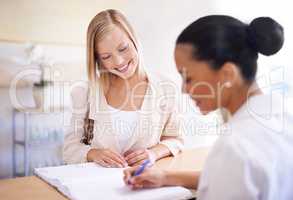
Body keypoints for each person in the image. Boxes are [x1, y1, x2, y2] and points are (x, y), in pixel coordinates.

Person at [123, 15, 293, 199]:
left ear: (227, 74)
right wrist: (165, 176)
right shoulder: (280, 114)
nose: (184, 90)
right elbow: (234, 178)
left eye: (188, 78)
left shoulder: (236, 146)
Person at [63, 9, 184, 168]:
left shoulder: (166, 88)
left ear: (134, 41)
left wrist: (154, 153)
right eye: (106, 57)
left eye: (123, 48)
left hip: (143, 183)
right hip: (95, 185)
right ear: (98, 60)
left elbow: (176, 140)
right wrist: (93, 153)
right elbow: (69, 149)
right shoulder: (85, 92)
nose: (119, 61)